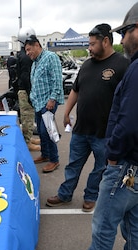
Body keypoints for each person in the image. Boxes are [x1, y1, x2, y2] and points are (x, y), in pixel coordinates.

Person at [62, 2, 138, 250]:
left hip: (127, 161)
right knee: (135, 222)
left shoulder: (131, 66)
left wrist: (115, 158)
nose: (122, 39)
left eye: (126, 31)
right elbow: (77, 89)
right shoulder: (93, 65)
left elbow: (129, 120)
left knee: (105, 219)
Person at [46, 24, 129, 212]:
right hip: (81, 129)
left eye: (92, 44)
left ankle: (90, 196)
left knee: (100, 168)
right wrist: (66, 112)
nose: (89, 48)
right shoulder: (87, 65)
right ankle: (65, 194)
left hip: (105, 133)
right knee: (73, 165)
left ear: (105, 41)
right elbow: (76, 90)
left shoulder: (123, 65)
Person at [25, 35, 64, 172]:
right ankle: (45, 155)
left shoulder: (50, 57)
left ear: (37, 45)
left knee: (47, 131)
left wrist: (52, 99)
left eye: (29, 49)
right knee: (41, 133)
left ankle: (55, 159)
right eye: (26, 51)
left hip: (48, 102)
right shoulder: (35, 62)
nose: (28, 53)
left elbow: (57, 80)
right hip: (38, 103)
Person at [17, 27, 40, 152]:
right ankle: (27, 142)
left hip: (24, 89)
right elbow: (26, 77)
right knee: (27, 117)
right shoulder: (26, 57)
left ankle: (29, 137)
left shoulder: (22, 54)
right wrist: (31, 93)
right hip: (25, 90)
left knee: (28, 116)